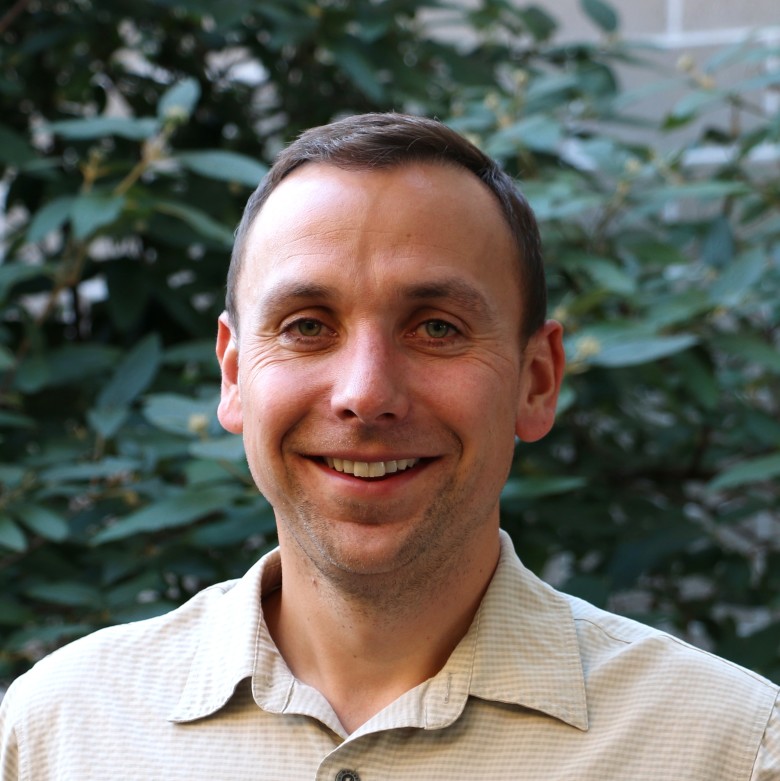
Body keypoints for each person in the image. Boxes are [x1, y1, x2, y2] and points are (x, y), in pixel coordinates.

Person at [1, 113, 777, 780]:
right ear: (234, 376)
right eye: (307, 325)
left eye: (437, 327)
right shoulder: (58, 734)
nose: (366, 393)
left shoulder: (729, 748)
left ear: (537, 381)